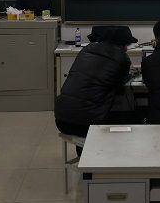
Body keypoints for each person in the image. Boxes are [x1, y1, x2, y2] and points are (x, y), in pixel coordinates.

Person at [54, 26, 137, 154]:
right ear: (121, 45)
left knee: (85, 107)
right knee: (129, 116)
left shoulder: (87, 49)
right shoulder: (122, 58)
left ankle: (83, 157)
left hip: (62, 118)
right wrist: (131, 75)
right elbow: (120, 88)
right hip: (86, 124)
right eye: (126, 45)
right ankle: (111, 157)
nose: (127, 49)